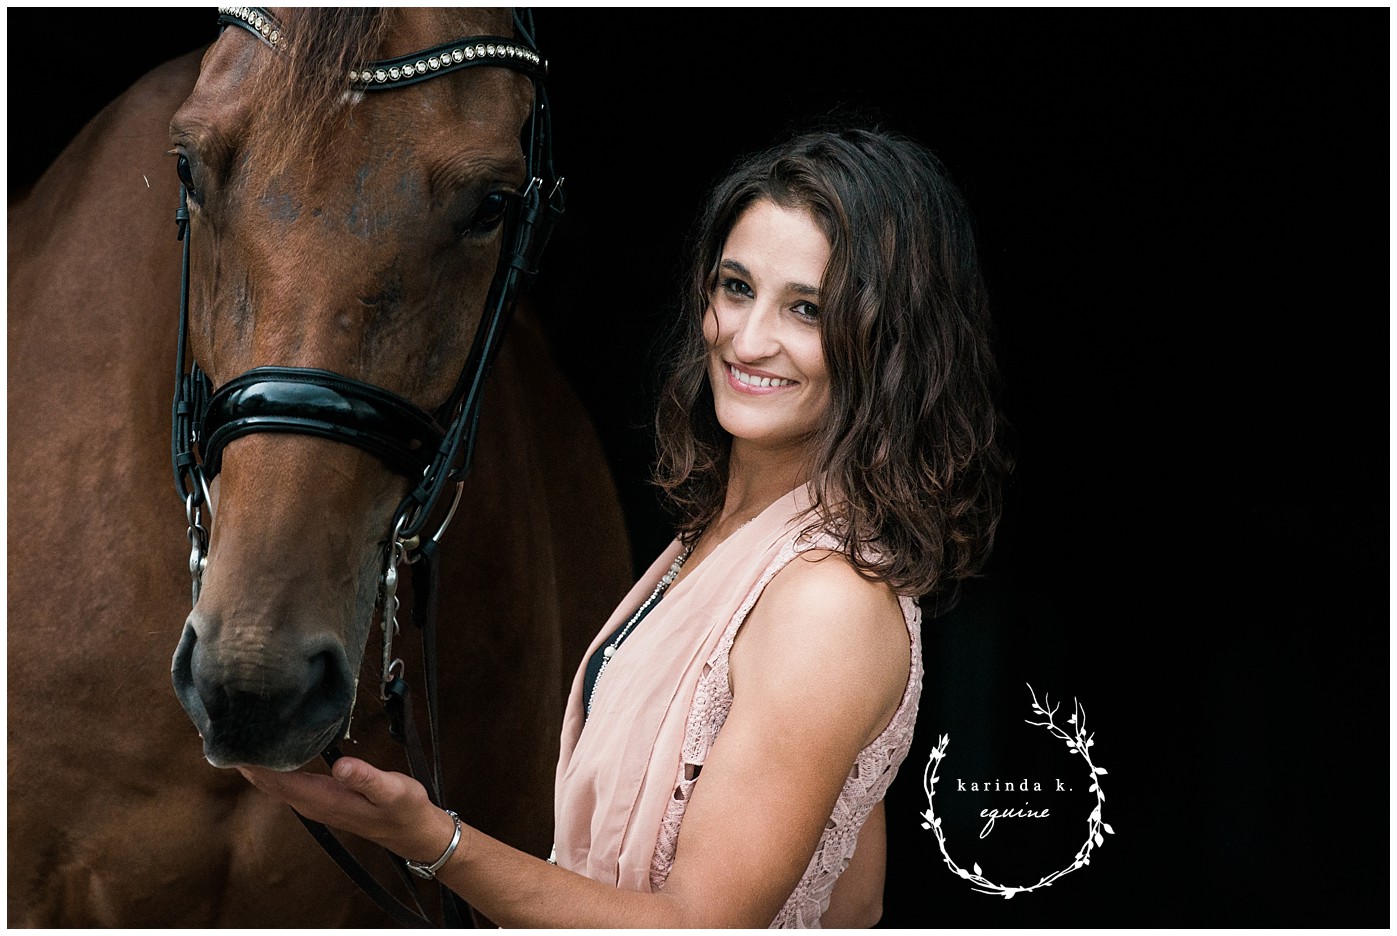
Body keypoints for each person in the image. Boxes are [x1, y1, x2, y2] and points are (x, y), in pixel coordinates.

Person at [239, 123, 1009, 928]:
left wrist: (427, 836)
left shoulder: (826, 603)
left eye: (807, 309)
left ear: (890, 343)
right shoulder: (718, 540)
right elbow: (850, 890)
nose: (747, 339)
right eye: (736, 287)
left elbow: (694, 927)